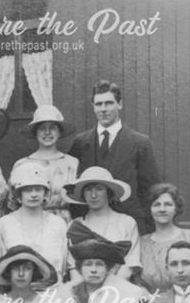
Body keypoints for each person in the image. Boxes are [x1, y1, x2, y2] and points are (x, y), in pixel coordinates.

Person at [68, 79, 162, 232]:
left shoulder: (139, 143)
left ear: (120, 104)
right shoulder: (80, 142)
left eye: (109, 103)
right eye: (99, 104)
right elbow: (74, 187)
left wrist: (146, 227)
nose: (103, 109)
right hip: (90, 226)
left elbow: (151, 191)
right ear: (93, 107)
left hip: (130, 226)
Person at [64, 167, 141, 279]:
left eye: (99, 189)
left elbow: (130, 264)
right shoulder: (76, 226)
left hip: (119, 288)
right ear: (83, 194)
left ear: (108, 192)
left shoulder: (126, 222)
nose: (93, 195)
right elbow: (73, 266)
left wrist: (111, 290)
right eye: (88, 190)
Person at [0, 161, 70, 277]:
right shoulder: (5, 223)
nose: (34, 195)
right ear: (19, 195)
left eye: (38, 189)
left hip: (52, 290)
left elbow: (63, 264)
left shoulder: (58, 223)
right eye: (28, 190)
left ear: (45, 193)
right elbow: (0, 264)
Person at [10, 104, 78, 221]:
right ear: (35, 132)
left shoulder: (72, 163)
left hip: (64, 223)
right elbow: (12, 203)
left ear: (59, 132)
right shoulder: (22, 164)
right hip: (30, 222)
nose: (47, 132)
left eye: (52, 128)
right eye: (42, 128)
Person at [137, 183, 190, 292]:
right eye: (156, 204)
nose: (162, 209)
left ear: (176, 208)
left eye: (168, 204)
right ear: (149, 209)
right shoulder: (141, 244)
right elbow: (137, 281)